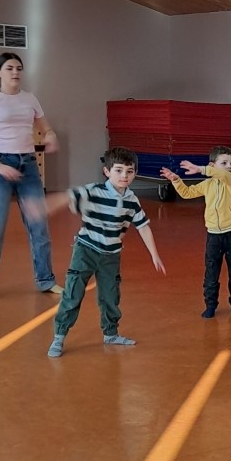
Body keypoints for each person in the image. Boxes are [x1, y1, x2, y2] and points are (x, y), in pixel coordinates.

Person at [47, 148, 165, 357]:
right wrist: (46, 206)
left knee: (110, 296)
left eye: (129, 171)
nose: (124, 176)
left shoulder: (131, 200)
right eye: (118, 170)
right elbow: (69, 196)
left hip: (111, 255)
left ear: (135, 173)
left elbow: (143, 226)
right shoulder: (94, 191)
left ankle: (110, 333)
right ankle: (59, 336)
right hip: (85, 251)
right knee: (73, 294)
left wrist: (154, 254)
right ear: (107, 171)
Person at [0, 52, 62, 294]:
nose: (15, 72)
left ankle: (46, 280)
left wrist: (51, 137)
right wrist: (0, 167)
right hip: (0, 165)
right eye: (9, 68)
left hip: (28, 166)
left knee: (39, 226)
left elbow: (46, 128)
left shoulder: (30, 98)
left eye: (18, 68)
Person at [159, 146, 231, 318]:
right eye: (224, 163)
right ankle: (210, 304)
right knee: (211, 271)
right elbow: (187, 193)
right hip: (214, 235)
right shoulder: (207, 185)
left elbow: (223, 176)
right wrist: (176, 180)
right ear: (212, 165)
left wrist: (201, 169)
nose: (229, 166)